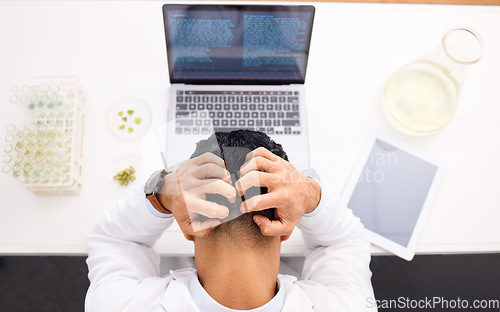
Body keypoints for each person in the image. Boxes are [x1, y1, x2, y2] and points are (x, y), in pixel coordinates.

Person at [85, 130, 376, 312]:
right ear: (284, 229)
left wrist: (163, 191)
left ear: (191, 228)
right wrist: (308, 192)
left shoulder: (116, 303)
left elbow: (115, 239)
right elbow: (344, 242)